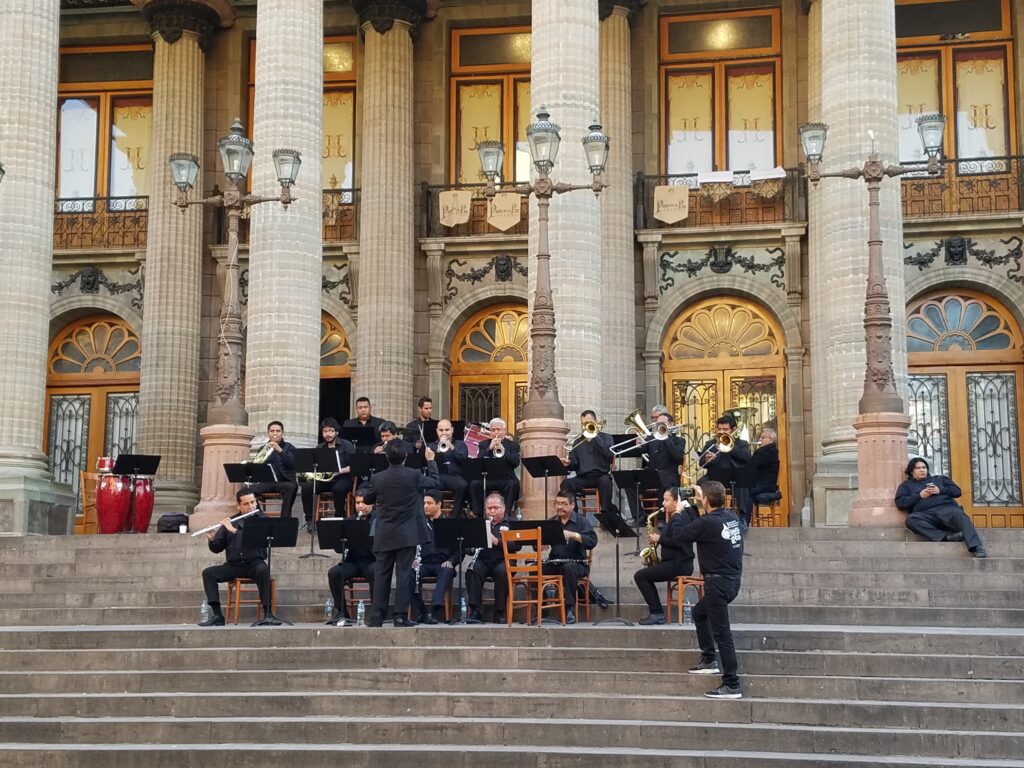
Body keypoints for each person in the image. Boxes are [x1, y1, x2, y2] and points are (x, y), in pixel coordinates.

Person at [669, 480, 745, 699]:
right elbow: (707, 523)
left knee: (723, 633)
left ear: (705, 500)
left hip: (717, 583)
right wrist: (701, 504)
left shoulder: (707, 523)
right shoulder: (731, 517)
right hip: (731, 580)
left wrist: (678, 513)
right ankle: (709, 659)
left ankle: (732, 683)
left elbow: (679, 536)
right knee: (699, 613)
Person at [361, 440, 440, 626]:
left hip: (385, 533)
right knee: (404, 575)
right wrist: (431, 461)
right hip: (407, 533)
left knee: (382, 575)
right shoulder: (413, 475)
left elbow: (366, 498)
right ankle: (399, 616)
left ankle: (377, 617)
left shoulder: (378, 478)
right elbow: (435, 481)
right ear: (405, 457)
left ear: (386, 457)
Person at [198, 489, 279, 627]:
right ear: (239, 506)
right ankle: (217, 615)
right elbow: (217, 549)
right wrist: (212, 539)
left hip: (254, 564)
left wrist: (234, 531)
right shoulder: (231, 521)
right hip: (234, 566)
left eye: (253, 502)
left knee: (264, 570)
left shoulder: (262, 520)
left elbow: (254, 539)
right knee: (208, 573)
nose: (251, 506)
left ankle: (268, 614)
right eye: (246, 504)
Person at [633, 486, 701, 625]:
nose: (663, 503)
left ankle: (657, 613)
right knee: (644, 575)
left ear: (677, 501)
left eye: (666, 500)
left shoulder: (677, 518)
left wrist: (659, 539)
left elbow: (677, 541)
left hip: (678, 564)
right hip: (679, 562)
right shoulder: (682, 517)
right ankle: (656, 613)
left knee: (640, 576)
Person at [895, 457, 986, 558]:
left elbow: (957, 491)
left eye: (924, 467)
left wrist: (940, 490)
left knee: (960, 515)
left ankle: (976, 547)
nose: (922, 470)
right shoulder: (906, 485)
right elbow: (900, 503)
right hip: (927, 515)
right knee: (911, 520)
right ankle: (945, 537)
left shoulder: (939, 479)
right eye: (918, 468)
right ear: (912, 471)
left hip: (947, 510)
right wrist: (919, 496)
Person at [543, 491, 598, 625]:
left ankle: (570, 609)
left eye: (564, 504)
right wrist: (539, 543)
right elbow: (539, 543)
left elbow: (592, 541)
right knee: (535, 569)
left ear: (572, 505)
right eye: (557, 503)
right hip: (555, 562)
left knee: (569, 568)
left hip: (577, 563)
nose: (560, 507)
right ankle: (541, 610)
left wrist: (574, 535)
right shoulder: (552, 521)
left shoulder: (581, 521)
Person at [624, 411, 686, 524]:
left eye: (663, 423)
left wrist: (666, 437)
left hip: (669, 475)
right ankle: (639, 517)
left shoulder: (679, 440)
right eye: (658, 423)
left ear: (671, 424)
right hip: (651, 475)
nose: (659, 425)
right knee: (629, 484)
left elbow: (677, 455)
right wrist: (638, 445)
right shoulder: (651, 438)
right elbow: (641, 450)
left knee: (664, 484)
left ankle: (661, 518)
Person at [465, 493, 519, 622]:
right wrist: (474, 545)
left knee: (503, 571)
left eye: (496, 507)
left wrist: (496, 541)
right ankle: (475, 610)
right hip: (483, 560)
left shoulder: (512, 523)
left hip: (503, 560)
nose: (492, 511)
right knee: (473, 569)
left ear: (504, 508)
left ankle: (500, 611)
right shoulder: (480, 523)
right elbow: (467, 548)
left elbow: (517, 545)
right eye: (489, 508)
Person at [325, 493, 376, 625]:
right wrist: (339, 540)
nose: (360, 506)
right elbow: (339, 549)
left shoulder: (378, 520)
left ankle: (376, 612)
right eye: (357, 503)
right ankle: (341, 612)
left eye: (363, 503)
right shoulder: (350, 521)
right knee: (334, 573)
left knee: (376, 572)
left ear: (372, 504)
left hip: (372, 560)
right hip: (353, 561)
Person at [410, 490, 460, 624]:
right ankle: (422, 612)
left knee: (446, 571)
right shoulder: (419, 523)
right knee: (408, 574)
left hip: (443, 563)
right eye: (424, 503)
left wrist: (451, 561)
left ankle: (432, 611)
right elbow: (410, 545)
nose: (425, 506)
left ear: (439, 504)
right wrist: (412, 560)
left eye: (429, 503)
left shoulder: (450, 523)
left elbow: (461, 548)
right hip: (423, 563)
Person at [299, 417, 354, 527]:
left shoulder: (347, 445)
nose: (327, 434)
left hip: (342, 478)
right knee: (306, 487)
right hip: (325, 479)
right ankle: (310, 520)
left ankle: (339, 516)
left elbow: (354, 466)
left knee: (338, 489)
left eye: (330, 431)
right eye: (325, 431)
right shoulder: (320, 447)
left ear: (336, 432)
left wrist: (339, 470)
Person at [698, 414, 752, 525]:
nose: (722, 432)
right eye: (720, 429)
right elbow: (701, 463)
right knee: (701, 482)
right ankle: (709, 514)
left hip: (736, 476)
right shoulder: (711, 444)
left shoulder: (741, 443)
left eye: (725, 429)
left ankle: (742, 517)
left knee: (744, 483)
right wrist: (707, 459)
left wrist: (730, 446)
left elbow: (746, 458)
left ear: (733, 430)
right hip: (715, 476)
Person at [560, 409, 615, 514]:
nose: (586, 425)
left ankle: (605, 514)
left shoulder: (606, 437)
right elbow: (574, 464)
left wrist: (595, 436)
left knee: (606, 481)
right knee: (566, 484)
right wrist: (568, 463)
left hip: (600, 476)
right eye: (584, 423)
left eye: (589, 422)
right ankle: (574, 514)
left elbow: (609, 454)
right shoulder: (578, 441)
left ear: (596, 421)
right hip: (583, 477)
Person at [469, 418, 521, 516]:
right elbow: (479, 460)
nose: (496, 432)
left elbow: (515, 462)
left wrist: (504, 450)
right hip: (488, 478)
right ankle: (480, 514)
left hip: (506, 478)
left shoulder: (513, 445)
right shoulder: (484, 444)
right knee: (474, 484)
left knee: (513, 484)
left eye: (498, 429)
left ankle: (506, 514)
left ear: (504, 431)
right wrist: (490, 448)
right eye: (493, 430)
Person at [247, 420, 298, 518]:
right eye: (272, 431)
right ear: (268, 433)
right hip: (267, 482)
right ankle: (260, 516)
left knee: (291, 487)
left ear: (282, 433)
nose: (275, 433)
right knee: (247, 491)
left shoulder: (290, 447)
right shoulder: (263, 449)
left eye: (278, 431)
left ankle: (284, 519)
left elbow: (292, 464)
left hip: (284, 481)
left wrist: (280, 450)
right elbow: (257, 467)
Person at [429, 418, 470, 517]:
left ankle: (454, 516)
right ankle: (434, 516)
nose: (444, 433)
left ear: (452, 430)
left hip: (456, 477)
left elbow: (465, 461)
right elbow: (428, 464)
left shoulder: (460, 444)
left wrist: (451, 447)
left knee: (463, 485)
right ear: (437, 431)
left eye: (447, 430)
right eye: (441, 430)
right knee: (427, 486)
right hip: (439, 477)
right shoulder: (432, 446)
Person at [749, 427, 781, 505]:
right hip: (762, 484)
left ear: (771, 439)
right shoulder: (767, 451)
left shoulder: (768, 452)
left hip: (765, 485)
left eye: (762, 438)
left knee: (743, 490)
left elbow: (752, 465)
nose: (760, 439)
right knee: (741, 488)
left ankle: (743, 516)